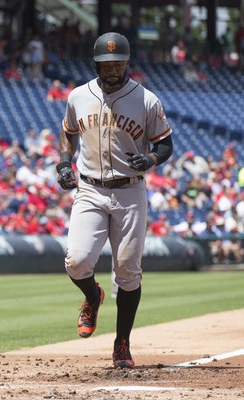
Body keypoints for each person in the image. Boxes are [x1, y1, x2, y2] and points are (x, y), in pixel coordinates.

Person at [55, 32, 173, 369]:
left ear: (127, 63)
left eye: (118, 63)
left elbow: (165, 144)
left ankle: (122, 343)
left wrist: (150, 160)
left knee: (127, 272)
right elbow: (68, 131)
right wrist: (65, 162)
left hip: (130, 191)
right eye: (106, 64)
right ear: (95, 64)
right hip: (90, 190)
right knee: (76, 262)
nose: (112, 69)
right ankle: (93, 297)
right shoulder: (78, 96)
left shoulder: (146, 99)